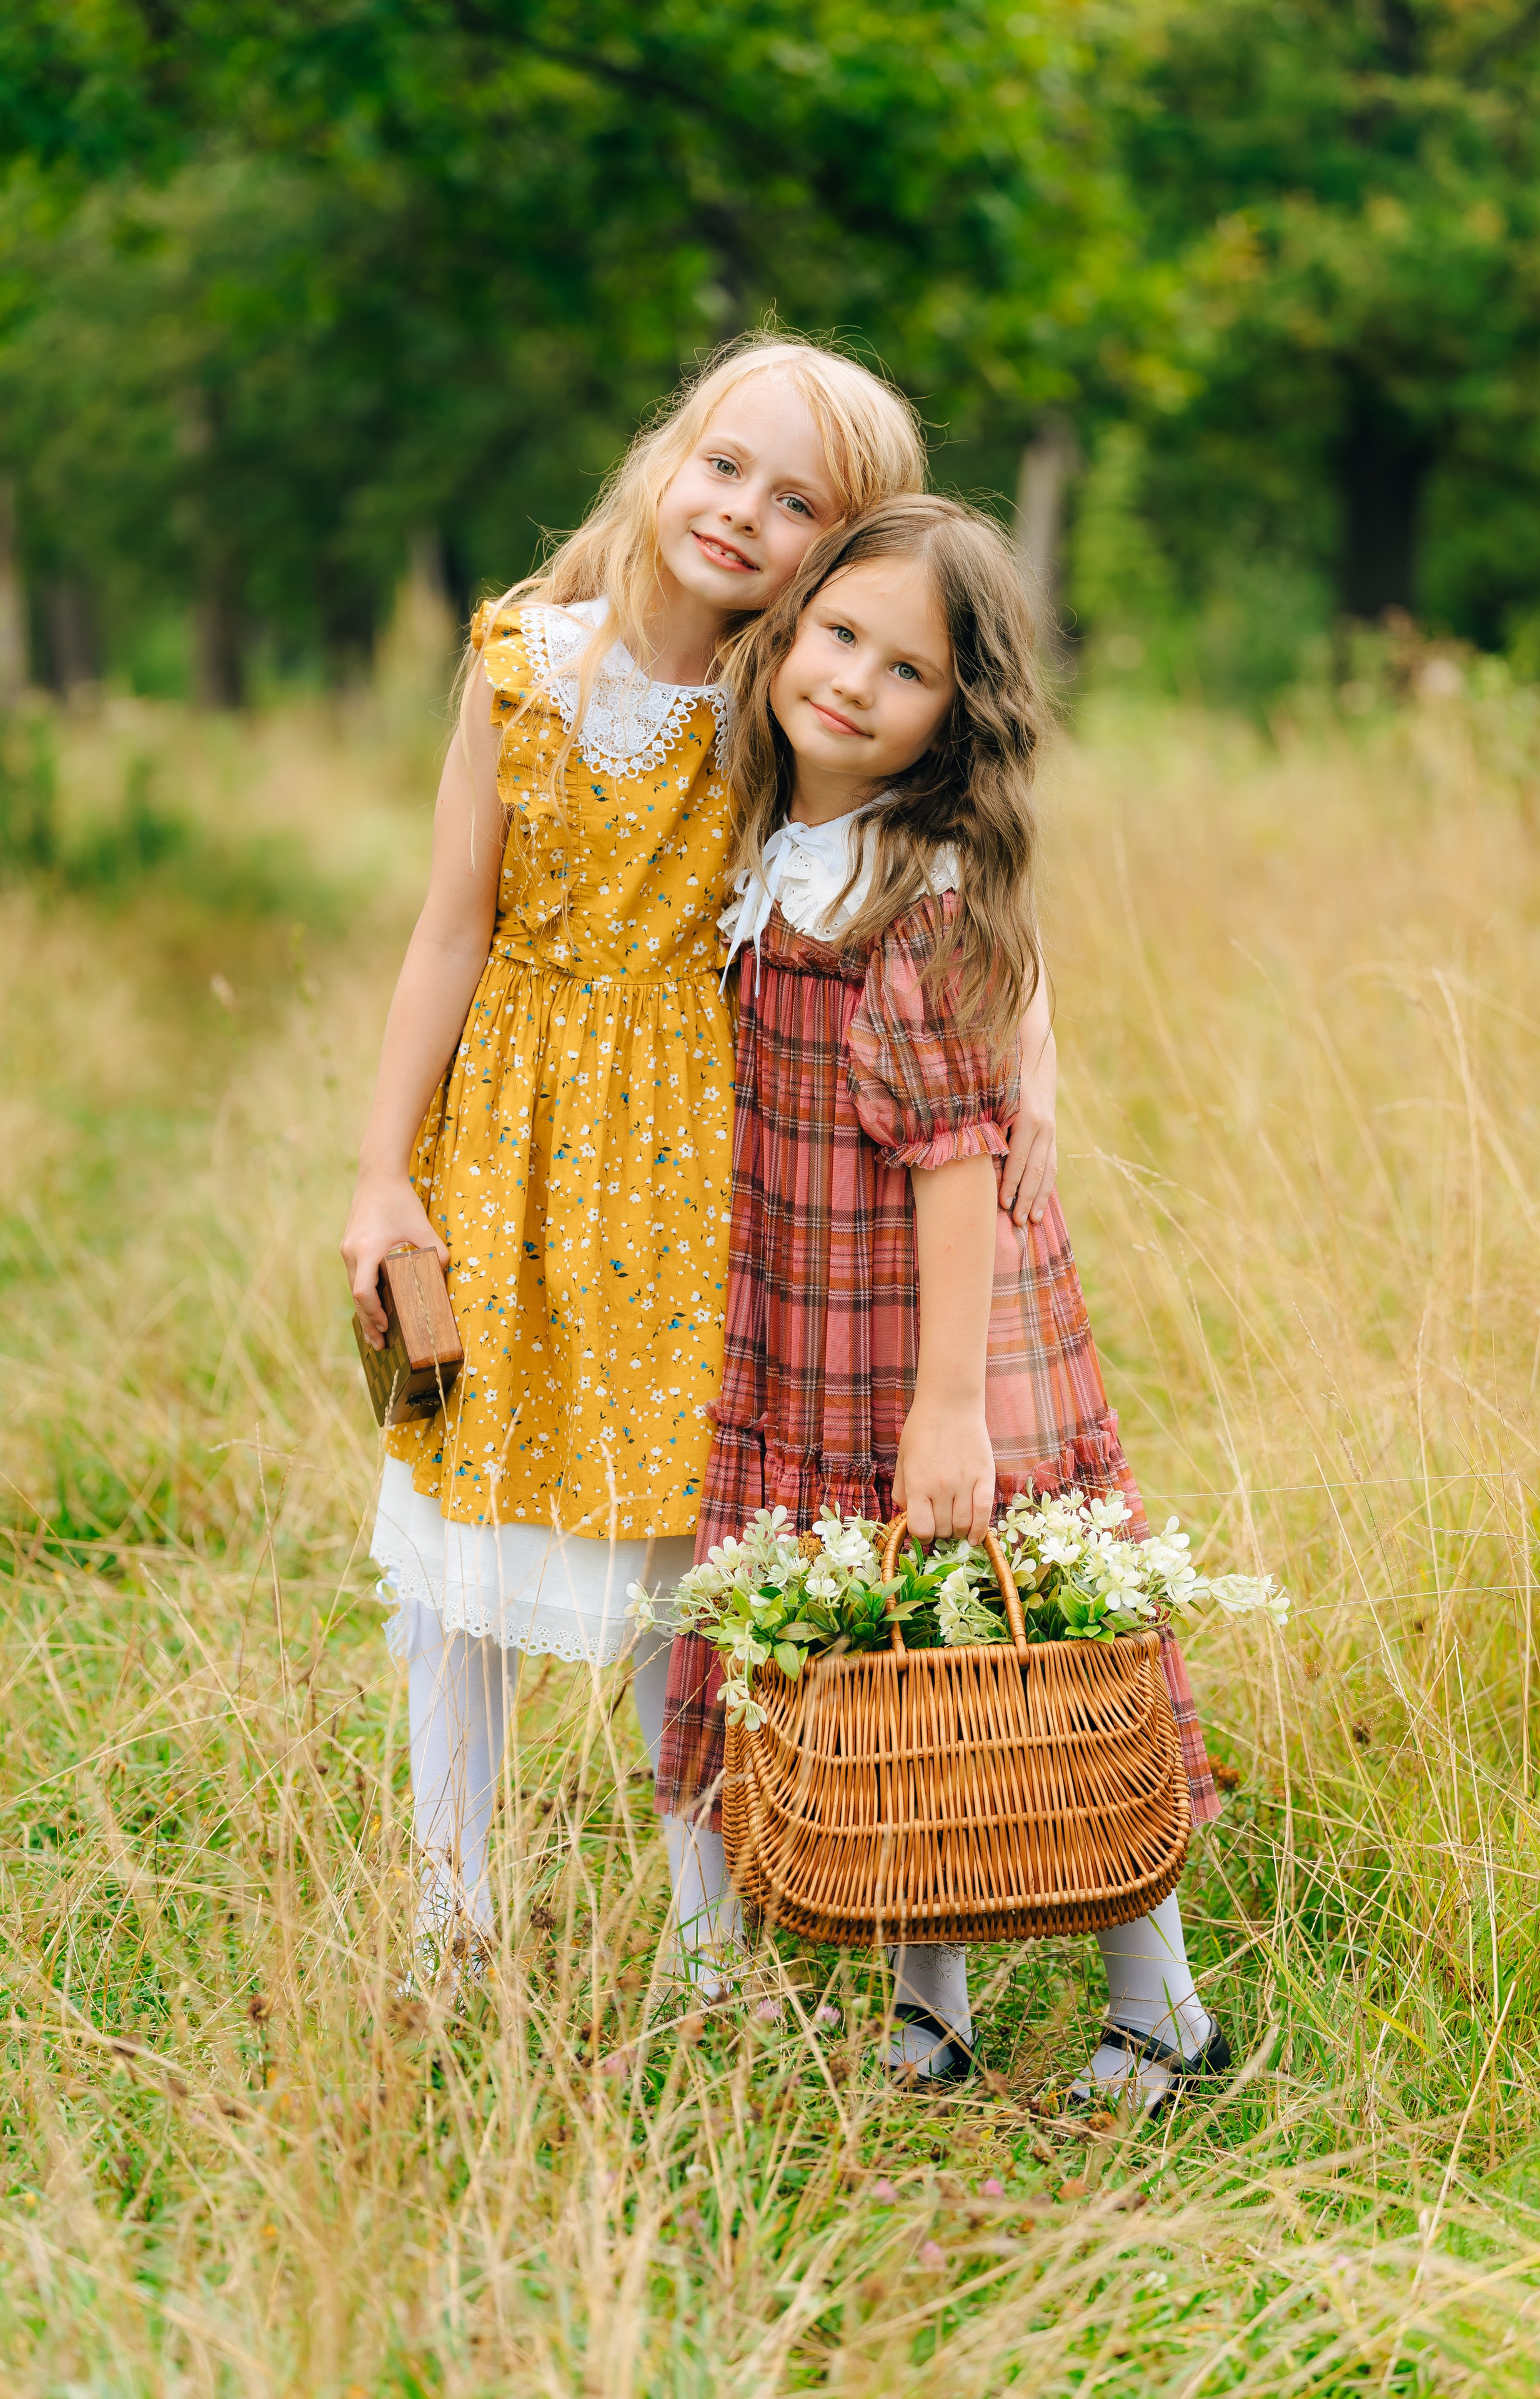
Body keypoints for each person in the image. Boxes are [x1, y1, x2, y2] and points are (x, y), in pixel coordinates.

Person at [339, 339, 1063, 1992]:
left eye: (799, 503)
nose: (742, 511)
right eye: (725, 464)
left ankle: (708, 1932)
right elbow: (449, 929)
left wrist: (1036, 1051)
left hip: (702, 1162)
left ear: (843, 556)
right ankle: (451, 1913)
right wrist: (383, 1174)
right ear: (668, 455)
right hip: (509, 1147)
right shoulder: (524, 662)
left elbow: (949, 860)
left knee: (689, 1536)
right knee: (462, 1524)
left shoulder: (787, 696)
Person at [655, 493, 1228, 2109]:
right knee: (897, 1660)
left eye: (904, 670)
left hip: (935, 1331)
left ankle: (1162, 2000)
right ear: (790, 632)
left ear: (955, 717)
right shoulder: (778, 845)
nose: (852, 681)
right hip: (813, 1326)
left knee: (1038, 1647)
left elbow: (956, 1163)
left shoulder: (915, 901)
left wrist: (953, 1409)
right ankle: (932, 2009)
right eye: (838, 635)